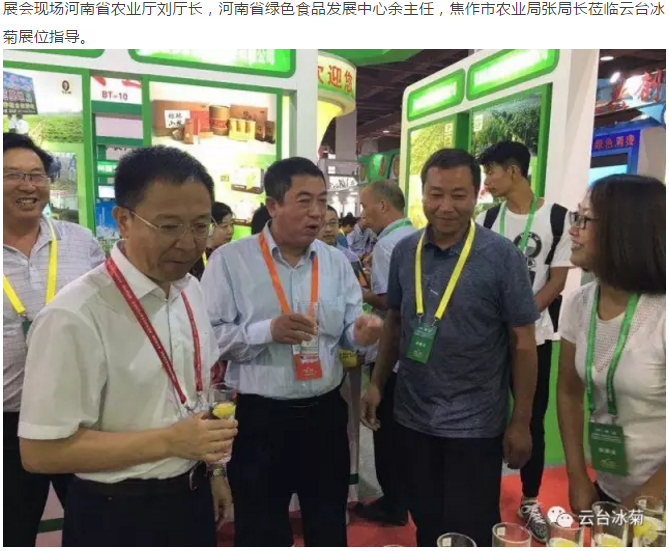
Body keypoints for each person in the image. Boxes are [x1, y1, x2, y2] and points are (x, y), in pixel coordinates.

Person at [17, 146, 237, 547]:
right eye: (169, 226)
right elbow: (39, 452)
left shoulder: (190, 290)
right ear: (124, 221)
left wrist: (214, 472)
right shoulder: (75, 314)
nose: (188, 243)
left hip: (190, 494)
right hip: (116, 513)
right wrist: (171, 441)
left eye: (200, 226)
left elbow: (195, 396)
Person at [201, 157, 383, 546]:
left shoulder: (336, 262)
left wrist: (361, 333)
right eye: (304, 201)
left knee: (328, 524)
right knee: (261, 529)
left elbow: (348, 332)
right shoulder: (230, 261)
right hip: (260, 420)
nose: (317, 212)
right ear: (273, 205)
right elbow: (209, 339)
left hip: (324, 416)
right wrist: (268, 331)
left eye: (322, 200)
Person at [362, 149, 539, 547]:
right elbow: (395, 321)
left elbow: (523, 343)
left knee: (470, 529)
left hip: (474, 425)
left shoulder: (501, 256)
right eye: (435, 194)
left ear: (477, 195)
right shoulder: (406, 251)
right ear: (422, 194)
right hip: (413, 417)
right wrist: (376, 383)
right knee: (426, 524)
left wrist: (521, 420)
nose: (445, 206)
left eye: (458, 195)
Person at [3, 133, 105, 547]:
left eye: (37, 175)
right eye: (13, 175)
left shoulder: (80, 241)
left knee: (93, 527)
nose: (28, 185)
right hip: (7, 421)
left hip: (76, 417)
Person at [477, 141, 572, 542]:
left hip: (536, 338)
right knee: (485, 415)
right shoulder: (487, 219)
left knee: (531, 416)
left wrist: (522, 317)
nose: (487, 181)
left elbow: (557, 280)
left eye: (491, 172)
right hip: (490, 340)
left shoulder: (558, 218)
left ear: (514, 171)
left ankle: (530, 499)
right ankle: (482, 492)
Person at [557, 175, 665, 515]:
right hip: (608, 486)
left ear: (625, 230)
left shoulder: (662, 314)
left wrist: (647, 499)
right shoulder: (580, 303)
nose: (573, 230)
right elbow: (568, 391)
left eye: (585, 220)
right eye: (575, 216)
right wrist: (576, 475)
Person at [355, 180, 416, 526]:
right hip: (415, 355)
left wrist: (359, 291)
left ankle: (393, 504)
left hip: (390, 353)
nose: (362, 216)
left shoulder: (387, 245)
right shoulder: (418, 236)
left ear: (382, 205)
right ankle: (404, 498)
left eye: (365, 207)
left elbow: (388, 302)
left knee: (384, 429)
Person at [190, 201, 234, 280]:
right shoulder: (194, 258)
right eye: (224, 226)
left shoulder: (229, 256)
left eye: (231, 224)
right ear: (210, 228)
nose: (230, 231)